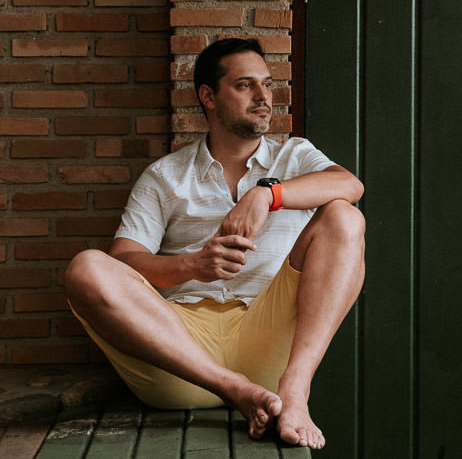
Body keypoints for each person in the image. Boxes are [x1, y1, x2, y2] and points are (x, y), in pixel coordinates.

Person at [64, 38, 365, 449]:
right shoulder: (165, 176)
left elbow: (349, 184)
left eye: (267, 84)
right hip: (181, 357)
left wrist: (266, 194)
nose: (263, 97)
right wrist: (192, 266)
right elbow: (123, 260)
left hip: (269, 344)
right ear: (208, 96)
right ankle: (233, 388)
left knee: (345, 217)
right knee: (86, 267)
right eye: (245, 85)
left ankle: (296, 392)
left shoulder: (295, 157)